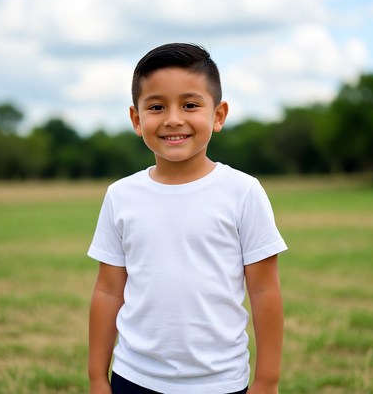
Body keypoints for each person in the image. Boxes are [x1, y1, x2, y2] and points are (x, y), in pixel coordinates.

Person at [87, 43, 287, 394]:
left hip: (220, 380)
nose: (173, 118)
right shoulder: (120, 195)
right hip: (135, 376)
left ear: (219, 115)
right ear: (136, 119)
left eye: (190, 105)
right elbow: (107, 290)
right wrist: (97, 377)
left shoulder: (243, 192)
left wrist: (267, 381)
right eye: (157, 107)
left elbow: (264, 288)